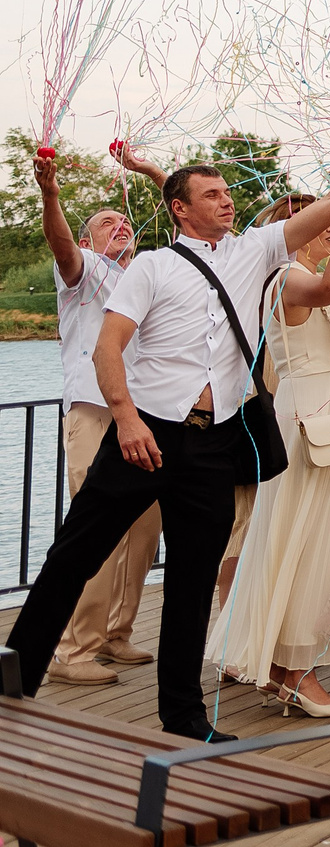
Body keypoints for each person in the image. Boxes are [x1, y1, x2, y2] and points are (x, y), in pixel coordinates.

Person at [6, 106, 330, 739]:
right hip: (143, 434)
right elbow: (107, 347)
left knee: (192, 583)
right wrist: (125, 420)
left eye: (228, 192)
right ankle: (11, 690)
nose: (227, 200)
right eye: (211, 194)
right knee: (72, 557)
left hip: (213, 442)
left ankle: (184, 718)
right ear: (180, 209)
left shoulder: (256, 252)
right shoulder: (151, 266)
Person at [215, 197, 330, 714]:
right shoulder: (283, 278)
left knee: (319, 540)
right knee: (304, 541)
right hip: (308, 418)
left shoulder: (304, 277)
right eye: (320, 222)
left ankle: (283, 669)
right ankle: (296, 671)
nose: (328, 229)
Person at [32, 144, 163, 686]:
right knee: (94, 528)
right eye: (108, 223)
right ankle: (71, 649)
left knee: (144, 531)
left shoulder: (145, 275)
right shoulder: (85, 271)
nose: (121, 225)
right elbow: (61, 245)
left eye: (124, 221)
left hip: (146, 414)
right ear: (90, 241)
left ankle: (116, 632)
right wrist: (51, 194)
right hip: (94, 411)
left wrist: (149, 171)